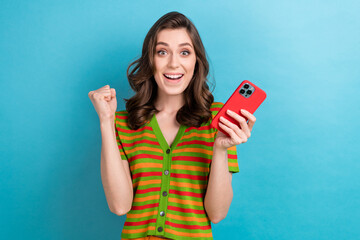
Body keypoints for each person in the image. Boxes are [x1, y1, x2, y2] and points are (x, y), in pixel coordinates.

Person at [88, 11, 256, 240]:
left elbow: (217, 214)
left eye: (184, 52)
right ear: (151, 60)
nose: (173, 63)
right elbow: (119, 206)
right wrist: (106, 121)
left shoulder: (218, 119)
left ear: (196, 62)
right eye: (162, 52)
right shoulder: (124, 123)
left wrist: (220, 148)